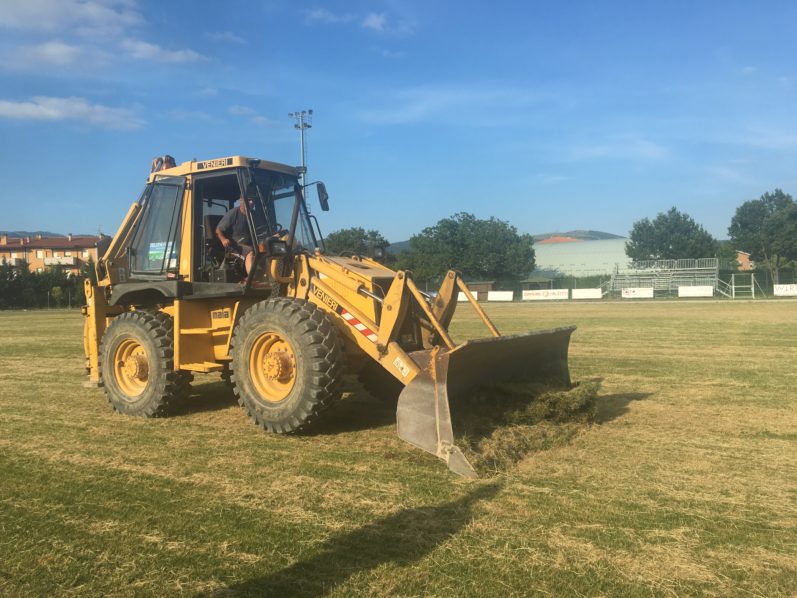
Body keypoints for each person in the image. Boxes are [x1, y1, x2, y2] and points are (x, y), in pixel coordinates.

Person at [216, 196, 254, 276]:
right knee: (251, 251)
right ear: (241, 200)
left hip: (252, 243)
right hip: (235, 246)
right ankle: (252, 279)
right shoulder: (233, 213)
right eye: (249, 199)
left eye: (253, 200)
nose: (251, 202)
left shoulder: (254, 215)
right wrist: (223, 239)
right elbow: (218, 230)